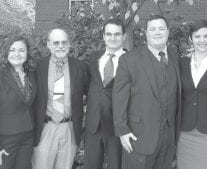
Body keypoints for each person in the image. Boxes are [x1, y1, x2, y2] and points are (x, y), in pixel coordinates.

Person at [112, 14, 181, 169]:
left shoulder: (175, 56)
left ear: (168, 32)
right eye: (153, 29)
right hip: (138, 135)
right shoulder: (129, 59)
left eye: (161, 28)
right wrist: (122, 131)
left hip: (168, 138)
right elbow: (119, 98)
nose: (157, 32)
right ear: (146, 32)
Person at [32, 28, 89, 169]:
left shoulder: (80, 66)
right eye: (56, 42)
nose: (60, 46)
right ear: (48, 44)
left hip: (69, 128)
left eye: (64, 42)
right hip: (45, 128)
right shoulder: (36, 66)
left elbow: (91, 93)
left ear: (69, 44)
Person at [176, 20, 207, 169]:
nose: (202, 40)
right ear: (191, 39)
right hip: (184, 130)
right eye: (197, 37)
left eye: (206, 36)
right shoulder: (181, 64)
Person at [84, 19, 125, 169]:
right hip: (93, 124)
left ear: (124, 36)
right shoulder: (94, 57)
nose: (112, 38)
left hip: (118, 125)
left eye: (117, 34)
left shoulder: (132, 60)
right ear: (103, 36)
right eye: (108, 34)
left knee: (117, 165)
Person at [0, 36, 36, 169]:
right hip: (5, 138)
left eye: (21, 50)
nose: (17, 54)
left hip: (28, 134)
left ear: (27, 53)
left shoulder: (31, 74)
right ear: (6, 53)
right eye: (12, 50)